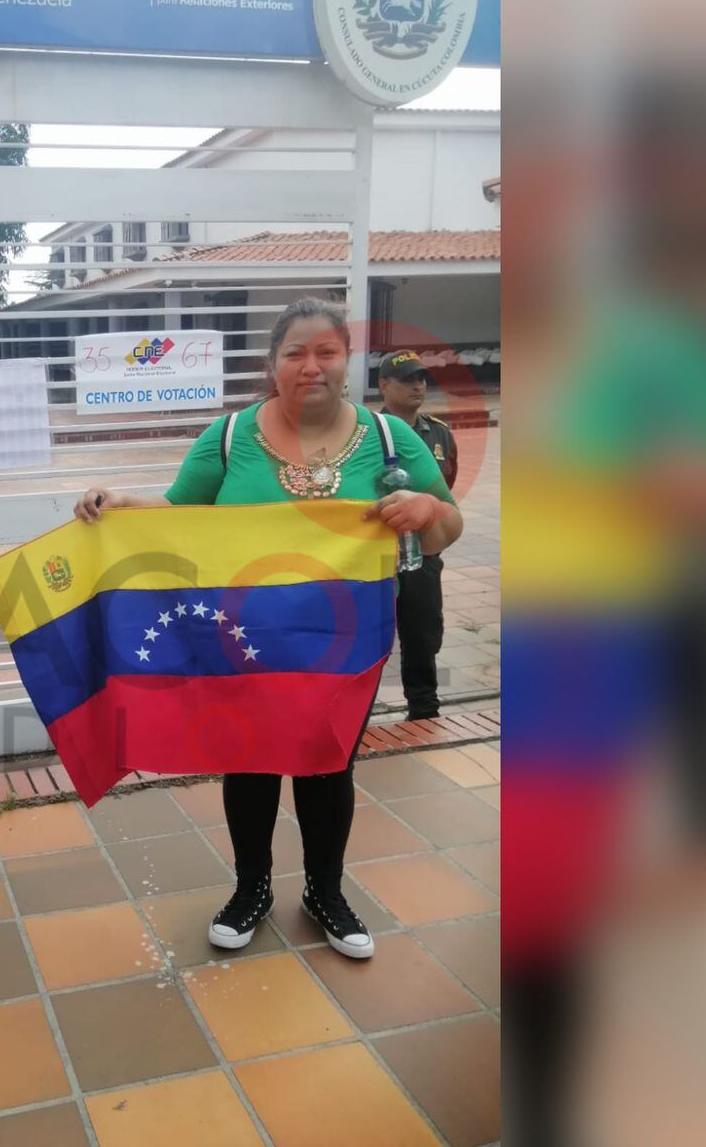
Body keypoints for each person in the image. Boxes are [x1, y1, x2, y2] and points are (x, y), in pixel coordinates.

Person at [74, 298, 462, 958]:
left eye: (327, 352)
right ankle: (250, 887)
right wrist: (120, 504)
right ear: (272, 364)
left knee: (327, 763)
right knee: (248, 762)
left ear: (348, 361)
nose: (311, 366)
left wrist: (427, 507)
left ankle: (324, 891)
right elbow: (176, 516)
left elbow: (446, 527)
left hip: (345, 646)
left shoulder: (392, 440)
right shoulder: (227, 439)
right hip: (242, 646)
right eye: (295, 353)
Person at [377, 349, 460, 720]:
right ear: (383, 386)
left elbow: (446, 490)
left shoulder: (439, 432)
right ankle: (359, 707)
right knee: (369, 634)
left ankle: (423, 706)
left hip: (423, 553)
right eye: (408, 379)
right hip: (375, 554)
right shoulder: (366, 433)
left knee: (423, 633)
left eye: (421, 379)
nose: (418, 386)